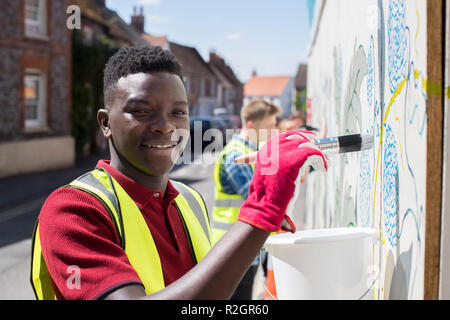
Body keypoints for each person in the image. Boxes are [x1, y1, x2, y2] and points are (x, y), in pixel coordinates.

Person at [30, 46, 327, 300]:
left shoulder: (189, 199)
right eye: (142, 110)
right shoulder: (73, 210)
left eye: (179, 112)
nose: (166, 125)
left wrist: (260, 231)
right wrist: (261, 212)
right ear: (106, 123)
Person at [211, 99, 280, 299]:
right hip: (234, 247)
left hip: (245, 246)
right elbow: (261, 200)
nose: (274, 130)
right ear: (251, 125)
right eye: (269, 126)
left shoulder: (252, 152)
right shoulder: (236, 156)